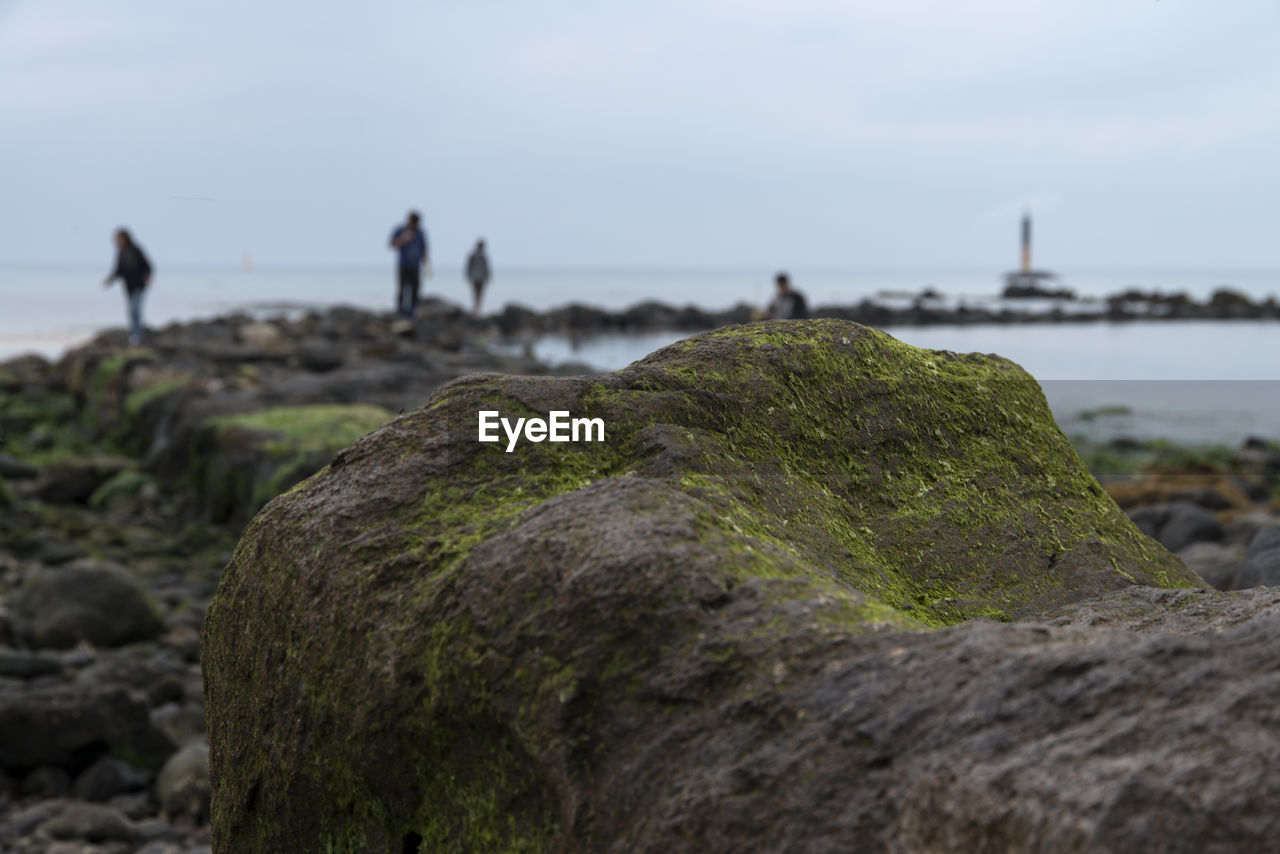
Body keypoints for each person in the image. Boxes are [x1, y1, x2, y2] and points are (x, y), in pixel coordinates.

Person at [102, 228, 153, 346]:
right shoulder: (121, 253)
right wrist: (109, 280)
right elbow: (118, 270)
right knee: (131, 311)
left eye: (119, 238)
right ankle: (134, 333)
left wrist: (148, 276)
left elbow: (147, 265)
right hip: (128, 287)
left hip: (139, 285)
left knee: (135, 309)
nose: (117, 241)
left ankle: (138, 334)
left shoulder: (136, 250)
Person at [389, 211, 430, 318]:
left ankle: (413, 311)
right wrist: (404, 239)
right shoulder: (400, 230)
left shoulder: (420, 232)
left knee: (415, 288)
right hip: (403, 265)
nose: (415, 225)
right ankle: (400, 310)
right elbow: (392, 245)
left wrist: (425, 261)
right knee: (402, 287)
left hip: (415, 266)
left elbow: (424, 248)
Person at [465, 239, 491, 316]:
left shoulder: (484, 256)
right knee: (476, 292)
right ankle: (476, 308)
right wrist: (468, 275)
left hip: (481, 277)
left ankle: (477, 308)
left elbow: (487, 268)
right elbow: (468, 266)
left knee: (480, 293)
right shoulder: (473, 255)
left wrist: (488, 276)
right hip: (475, 277)